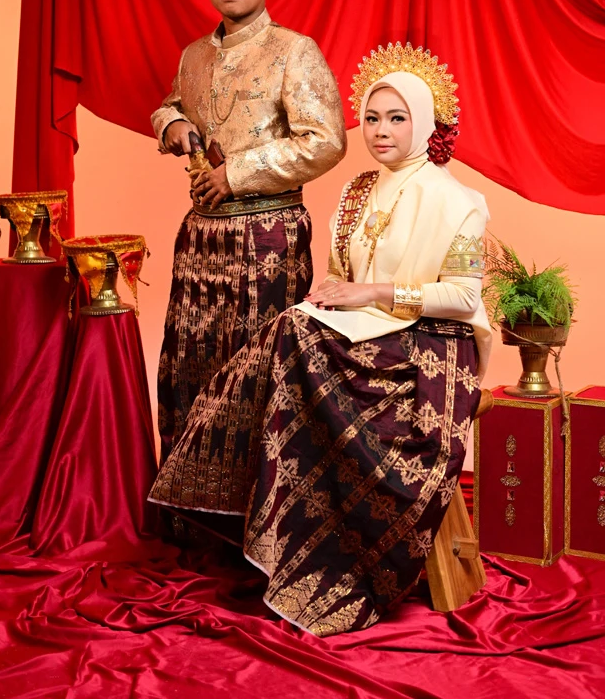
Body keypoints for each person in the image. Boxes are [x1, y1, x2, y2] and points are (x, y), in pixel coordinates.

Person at [149, 41, 491, 636]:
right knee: (294, 329)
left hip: (429, 345)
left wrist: (372, 294)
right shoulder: (359, 191)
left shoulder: (459, 202)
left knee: (292, 338)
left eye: (397, 118)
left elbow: (463, 299)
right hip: (364, 331)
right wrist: (330, 296)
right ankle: (264, 528)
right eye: (372, 118)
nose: (380, 131)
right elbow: (340, 275)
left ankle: (309, 552)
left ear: (425, 123)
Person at [151, 0, 346, 459]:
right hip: (200, 240)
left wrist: (234, 174)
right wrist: (171, 125)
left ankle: (260, 501)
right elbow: (170, 104)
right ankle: (186, 497)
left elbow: (326, 141)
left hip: (267, 239)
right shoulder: (194, 55)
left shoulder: (294, 51)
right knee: (190, 367)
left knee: (258, 373)